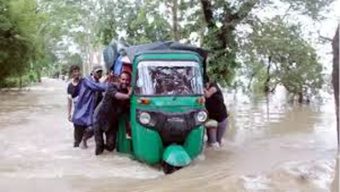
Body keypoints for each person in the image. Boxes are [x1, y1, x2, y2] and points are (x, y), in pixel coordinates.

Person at [93, 71, 132, 155]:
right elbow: (117, 96)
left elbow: (127, 110)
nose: (125, 82)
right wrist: (129, 96)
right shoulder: (111, 86)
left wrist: (129, 124)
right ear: (119, 79)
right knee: (99, 147)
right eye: (123, 79)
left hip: (112, 122)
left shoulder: (127, 91)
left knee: (111, 146)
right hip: (99, 119)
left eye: (127, 80)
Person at [72, 65, 107, 148]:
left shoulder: (98, 83)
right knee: (77, 142)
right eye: (98, 72)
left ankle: (84, 141)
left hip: (89, 113)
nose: (100, 74)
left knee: (92, 128)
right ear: (93, 72)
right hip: (81, 113)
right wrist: (111, 85)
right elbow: (97, 87)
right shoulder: (87, 80)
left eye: (101, 72)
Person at [204, 76, 229, 148]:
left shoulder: (214, 87)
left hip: (222, 118)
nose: (206, 86)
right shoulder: (200, 92)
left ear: (209, 82)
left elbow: (208, 95)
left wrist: (203, 89)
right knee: (212, 143)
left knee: (219, 142)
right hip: (212, 119)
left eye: (206, 84)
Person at [66, 65, 82, 147]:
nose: (77, 73)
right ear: (71, 73)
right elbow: (69, 101)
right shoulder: (70, 86)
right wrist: (69, 114)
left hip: (86, 109)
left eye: (77, 71)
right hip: (77, 110)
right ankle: (77, 143)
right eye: (74, 72)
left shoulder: (84, 82)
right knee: (77, 128)